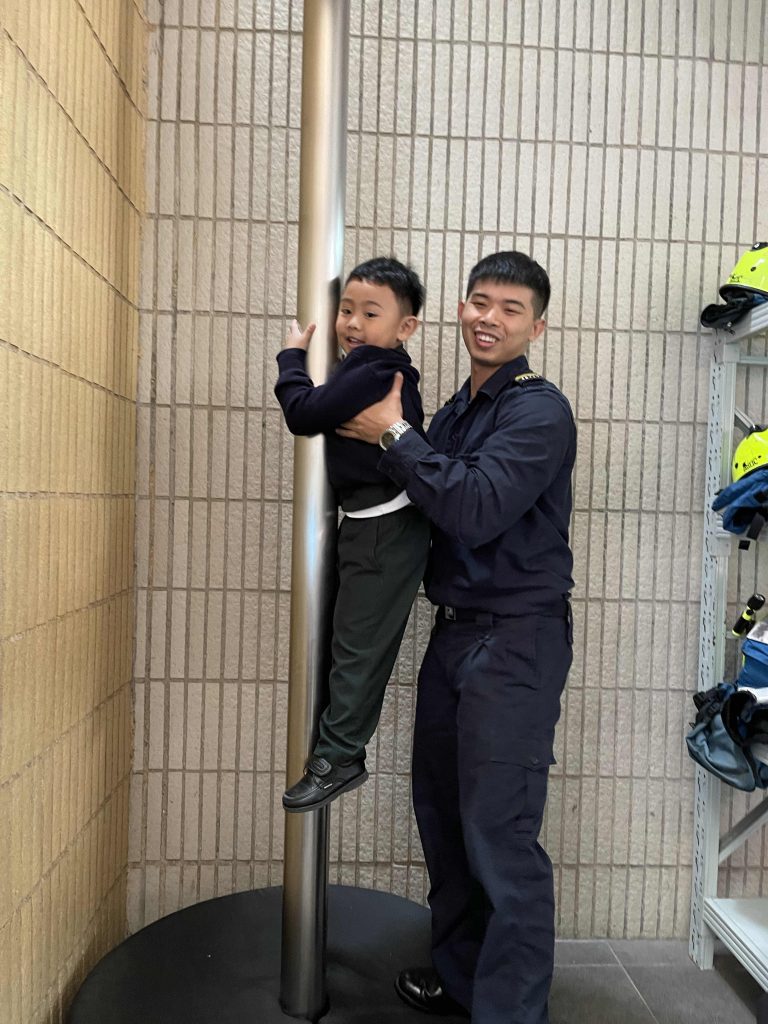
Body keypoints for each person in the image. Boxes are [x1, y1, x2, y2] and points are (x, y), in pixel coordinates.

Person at [337, 251, 576, 1024]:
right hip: (455, 636)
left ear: (537, 327)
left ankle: (508, 1013)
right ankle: (465, 979)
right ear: (461, 309)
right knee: (444, 818)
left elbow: (473, 508)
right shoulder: (455, 411)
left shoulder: (538, 411)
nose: (489, 318)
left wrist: (393, 434)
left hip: (515, 643)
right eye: (479, 301)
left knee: (499, 835)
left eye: (510, 308)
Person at [275, 257, 431, 812]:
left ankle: (339, 758)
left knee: (358, 650)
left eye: (370, 313)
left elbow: (302, 412)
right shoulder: (365, 368)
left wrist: (292, 357)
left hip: (386, 526)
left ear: (405, 326)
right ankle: (337, 749)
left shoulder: (373, 372)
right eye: (346, 310)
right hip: (372, 524)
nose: (353, 323)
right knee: (347, 643)